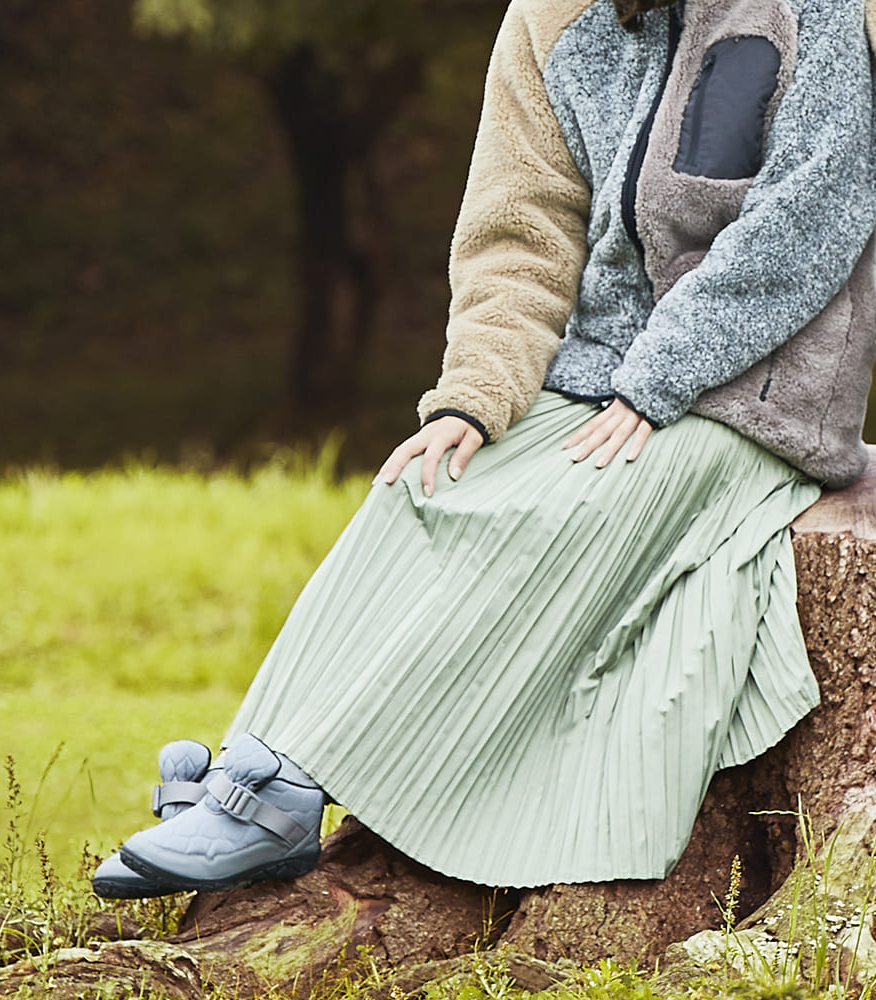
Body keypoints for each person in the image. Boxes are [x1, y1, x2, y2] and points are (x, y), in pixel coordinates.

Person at [93, 0, 876, 898]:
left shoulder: (812, 10)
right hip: (594, 374)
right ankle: (262, 773)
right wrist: (473, 398)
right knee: (422, 487)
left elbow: (808, 219)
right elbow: (519, 234)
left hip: (757, 388)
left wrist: (658, 377)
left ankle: (294, 786)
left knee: (566, 508)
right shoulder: (549, 18)